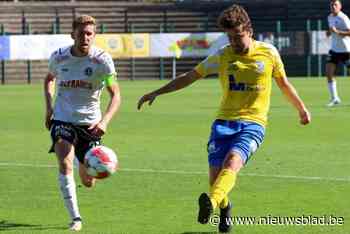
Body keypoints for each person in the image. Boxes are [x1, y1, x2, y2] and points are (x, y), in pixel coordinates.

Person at [137, 4, 311, 233]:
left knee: (232, 162)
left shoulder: (268, 53)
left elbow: (284, 84)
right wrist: (157, 91)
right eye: (230, 37)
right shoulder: (222, 56)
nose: (235, 42)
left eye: (238, 36)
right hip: (223, 124)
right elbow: (190, 76)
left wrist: (301, 109)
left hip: (253, 123)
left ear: (249, 30)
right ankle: (224, 207)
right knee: (216, 180)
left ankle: (210, 202)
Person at [44, 15, 121, 231]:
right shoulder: (59, 58)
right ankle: (75, 218)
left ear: (94, 36)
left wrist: (105, 122)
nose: (85, 38)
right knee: (64, 163)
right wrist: (49, 108)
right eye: (81, 33)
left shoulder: (102, 61)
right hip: (63, 119)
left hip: (90, 125)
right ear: (72, 35)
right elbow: (49, 79)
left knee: (89, 181)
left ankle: (82, 160)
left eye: (89, 34)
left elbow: (115, 94)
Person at [325, 0, 350, 106]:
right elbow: (330, 31)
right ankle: (335, 99)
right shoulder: (329, 17)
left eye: (335, 5)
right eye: (332, 5)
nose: (333, 6)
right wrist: (329, 32)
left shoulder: (343, 18)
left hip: (346, 51)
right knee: (329, 74)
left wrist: (338, 32)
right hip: (334, 50)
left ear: (340, 7)